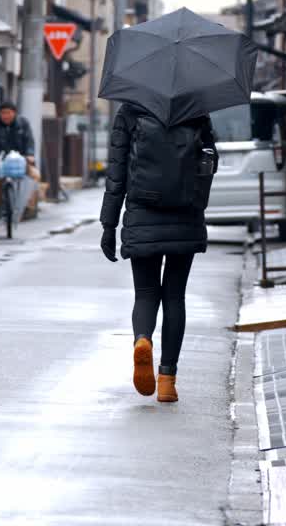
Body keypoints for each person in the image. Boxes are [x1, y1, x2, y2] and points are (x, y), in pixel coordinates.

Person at [100, 103, 218, 403]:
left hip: (142, 213)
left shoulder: (130, 110)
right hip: (185, 215)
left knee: (146, 292)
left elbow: (116, 174)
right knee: (175, 296)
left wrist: (109, 225)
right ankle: (167, 380)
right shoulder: (196, 109)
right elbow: (210, 164)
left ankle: (143, 340)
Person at [0, 101, 39, 219]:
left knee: (35, 175)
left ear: (14, 113)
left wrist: (30, 155)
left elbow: (29, 140)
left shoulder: (23, 123)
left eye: (8, 113)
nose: (5, 116)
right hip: (0, 157)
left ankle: (28, 206)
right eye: (3, 113)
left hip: (21, 158)